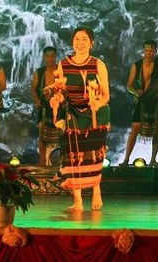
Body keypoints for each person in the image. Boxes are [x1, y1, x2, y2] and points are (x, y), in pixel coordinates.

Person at [48, 27, 110, 212]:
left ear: (92, 43)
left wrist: (97, 103)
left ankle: (96, 190)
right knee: (73, 156)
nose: (80, 43)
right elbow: (59, 91)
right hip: (72, 113)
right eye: (77, 39)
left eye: (84, 39)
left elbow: (106, 94)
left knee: (93, 155)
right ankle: (77, 200)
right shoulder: (63, 64)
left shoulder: (98, 64)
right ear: (72, 42)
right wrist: (56, 100)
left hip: (94, 115)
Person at [120, 40, 158, 167]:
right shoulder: (136, 66)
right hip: (142, 100)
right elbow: (129, 85)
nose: (149, 53)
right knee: (135, 128)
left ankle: (153, 159)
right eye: (146, 50)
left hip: (157, 99)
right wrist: (137, 91)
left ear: (155, 51)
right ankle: (126, 160)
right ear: (143, 51)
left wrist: (157, 87)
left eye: (151, 50)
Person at [31, 46, 61, 166]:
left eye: (52, 56)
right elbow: (33, 88)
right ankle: (42, 161)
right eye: (47, 56)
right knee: (42, 135)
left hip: (59, 107)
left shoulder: (60, 71)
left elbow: (65, 87)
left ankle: (60, 161)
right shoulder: (39, 72)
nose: (50, 58)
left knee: (61, 133)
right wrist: (37, 100)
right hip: (43, 107)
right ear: (44, 57)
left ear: (55, 57)